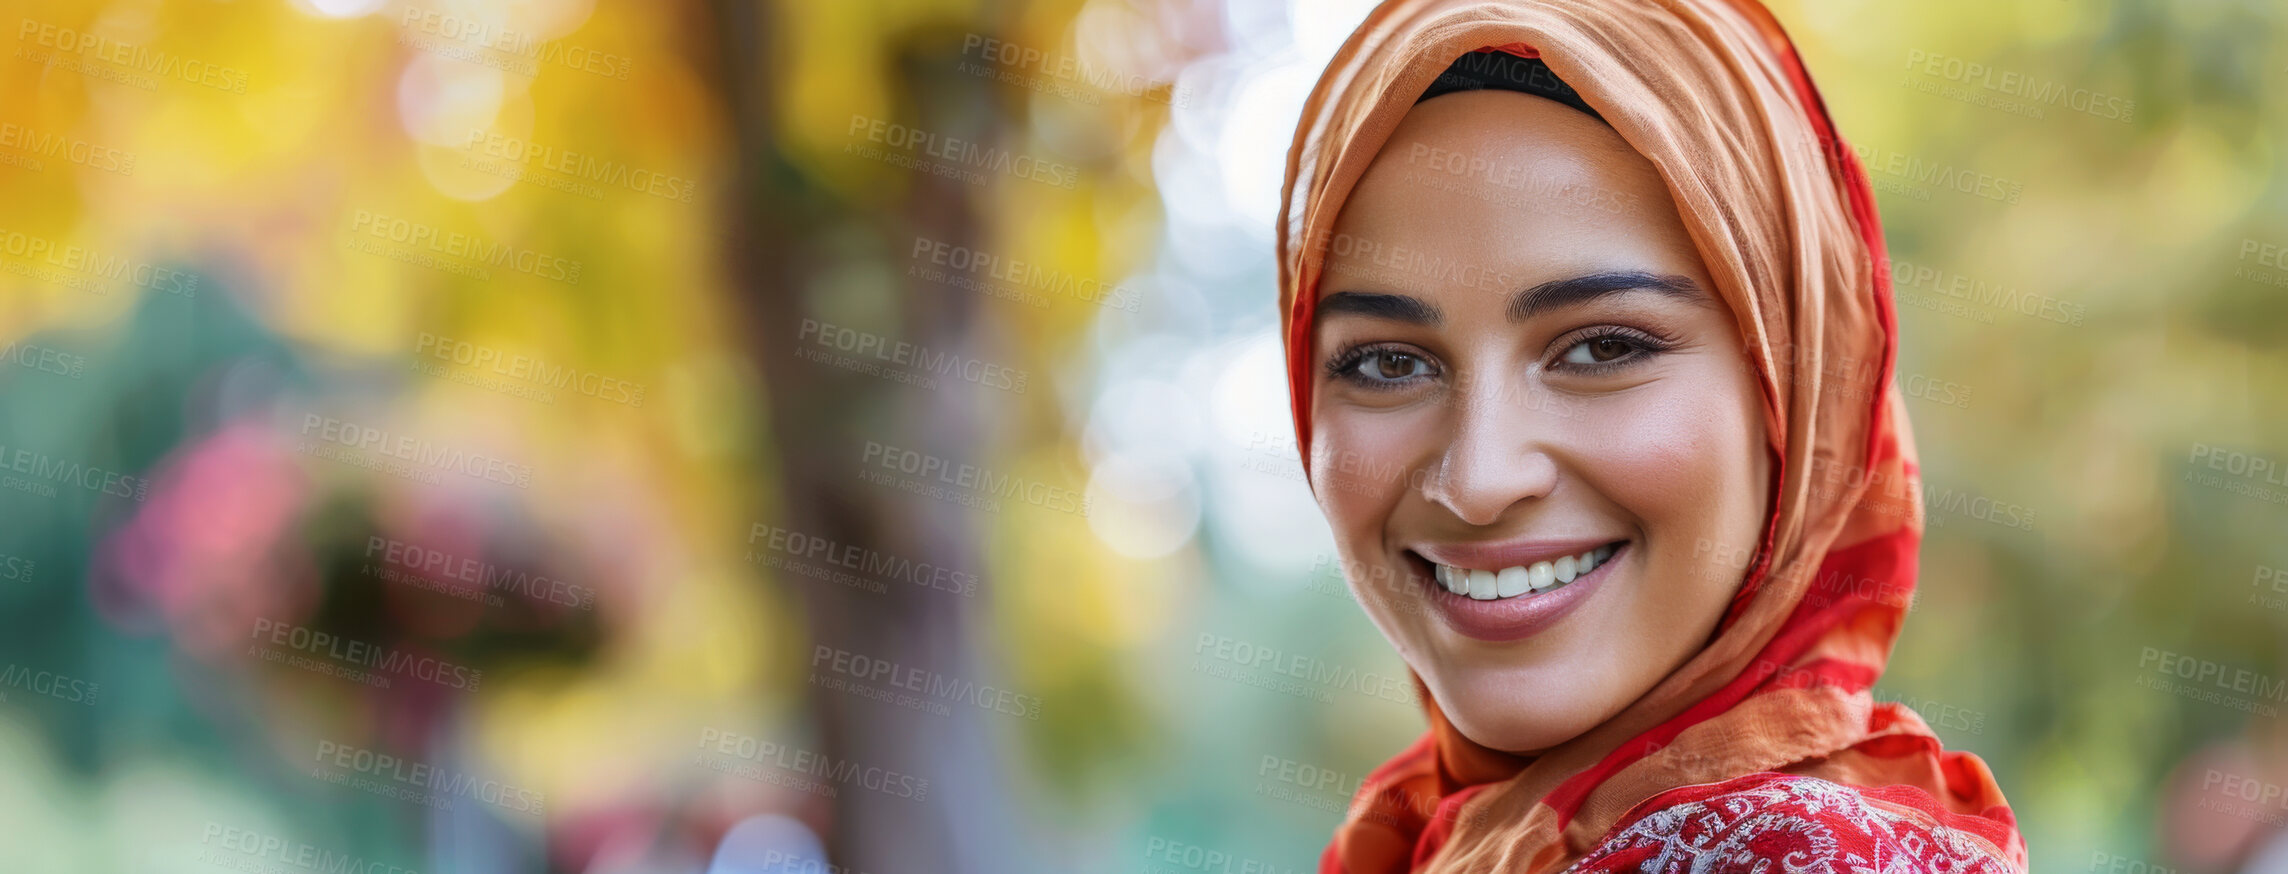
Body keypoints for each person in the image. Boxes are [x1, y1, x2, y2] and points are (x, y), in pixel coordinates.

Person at [1274, 1, 2028, 870]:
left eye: (1602, 348)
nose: (1478, 478)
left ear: (1790, 392)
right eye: (1388, 365)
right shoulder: (1418, 839)